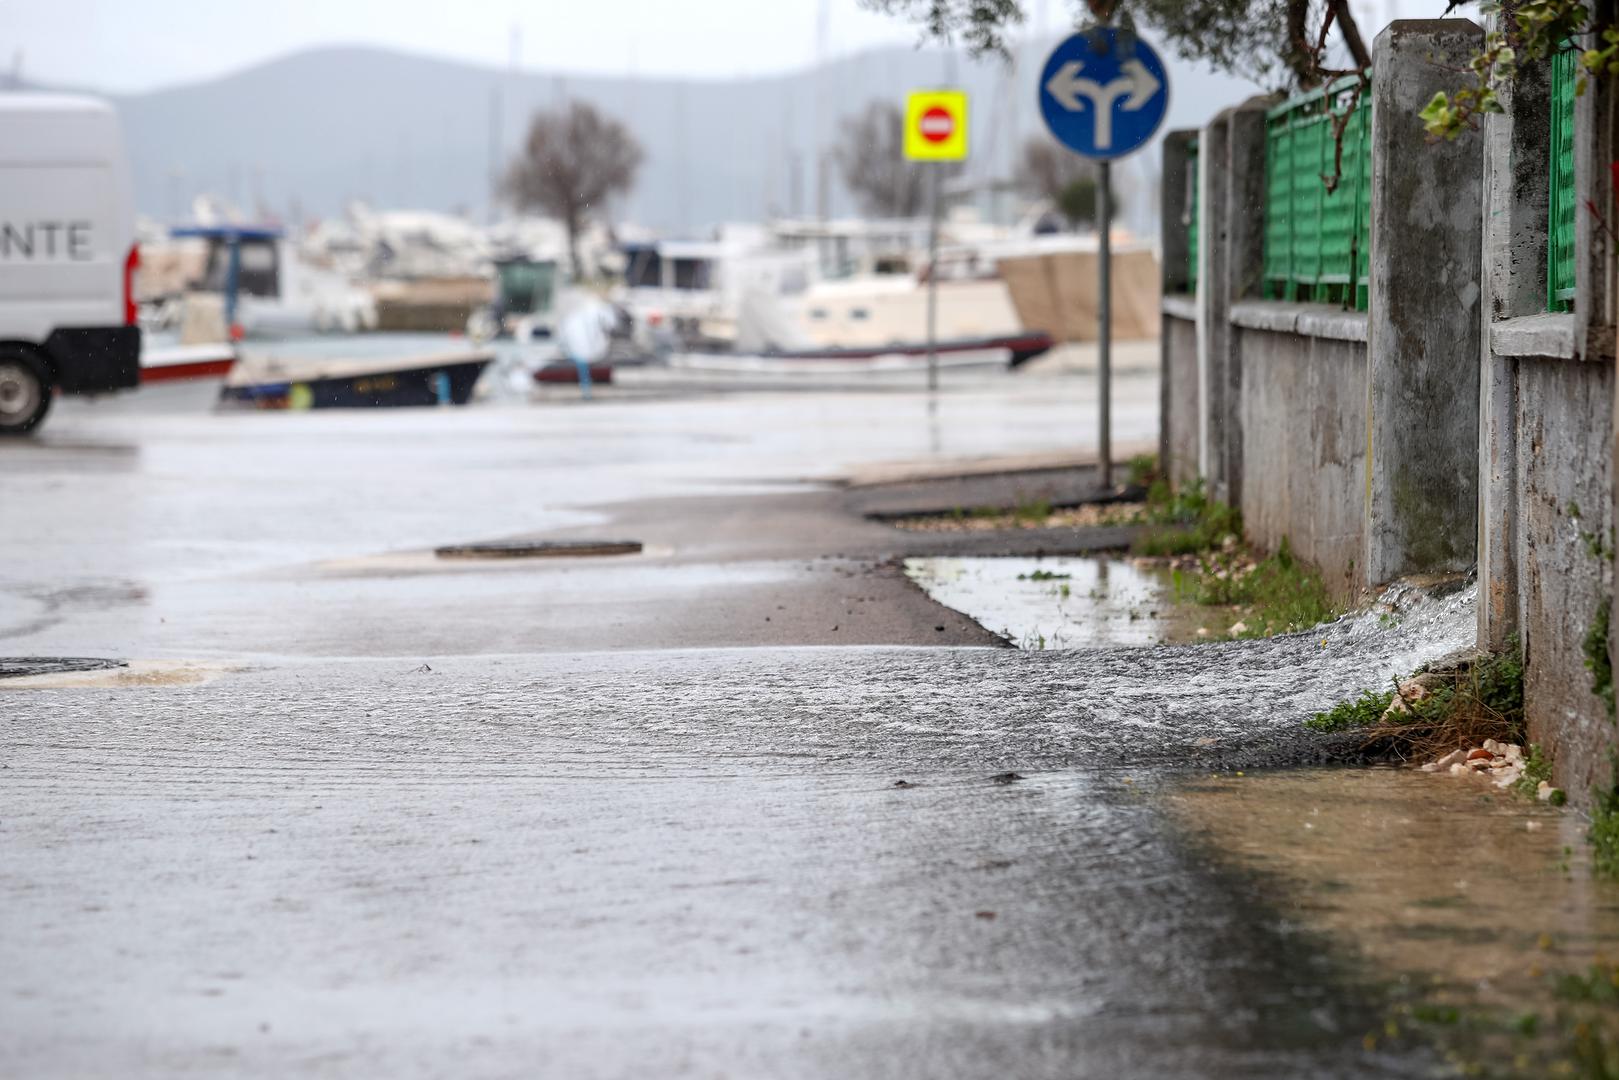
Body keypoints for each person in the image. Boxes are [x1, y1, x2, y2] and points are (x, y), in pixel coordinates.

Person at [555, 293, 616, 401]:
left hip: (581, 354)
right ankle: (586, 392)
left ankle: (586, 392)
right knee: (584, 366)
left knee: (583, 366)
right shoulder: (591, 315)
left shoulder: (573, 318)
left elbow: (563, 339)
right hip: (585, 354)